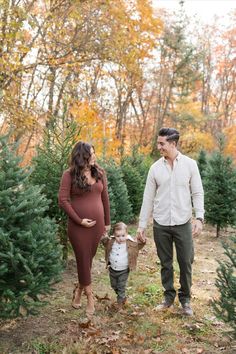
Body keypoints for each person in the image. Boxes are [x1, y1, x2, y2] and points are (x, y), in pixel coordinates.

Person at [137, 127, 204, 316]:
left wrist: (199, 217)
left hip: (183, 222)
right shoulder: (155, 168)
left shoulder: (190, 165)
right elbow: (147, 198)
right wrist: (142, 225)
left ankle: (186, 299)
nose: (158, 147)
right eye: (158, 143)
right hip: (161, 223)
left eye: (162, 143)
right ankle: (168, 296)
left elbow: (197, 192)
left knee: (185, 261)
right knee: (165, 263)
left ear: (173, 144)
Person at [58, 141, 110, 317]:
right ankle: (89, 297)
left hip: (98, 226)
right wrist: (79, 221)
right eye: (91, 154)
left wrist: (107, 223)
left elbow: (105, 199)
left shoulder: (100, 172)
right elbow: (63, 200)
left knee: (87, 261)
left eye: (95, 153)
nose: (94, 156)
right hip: (78, 227)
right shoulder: (69, 174)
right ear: (82, 156)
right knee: (82, 258)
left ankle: (78, 291)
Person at [101, 222, 145, 308]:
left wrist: (142, 241)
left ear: (127, 234)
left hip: (124, 270)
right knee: (114, 285)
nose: (121, 238)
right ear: (114, 235)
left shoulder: (130, 243)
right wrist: (104, 236)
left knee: (121, 286)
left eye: (123, 235)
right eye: (118, 236)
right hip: (112, 269)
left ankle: (120, 304)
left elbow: (138, 246)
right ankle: (122, 297)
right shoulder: (111, 242)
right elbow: (104, 242)